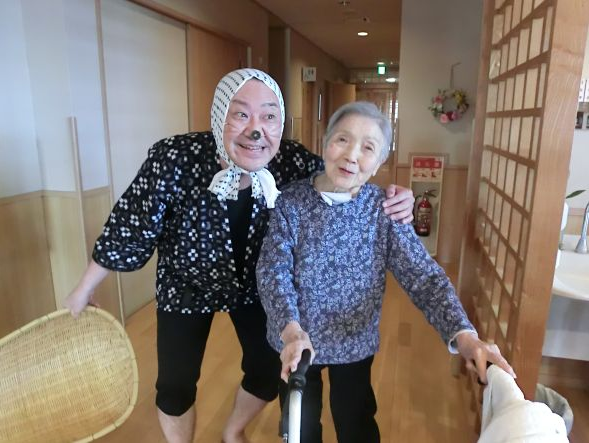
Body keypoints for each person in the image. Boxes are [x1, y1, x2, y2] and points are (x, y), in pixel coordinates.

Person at [64, 69, 415, 443]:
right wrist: (84, 288)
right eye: (241, 114)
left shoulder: (291, 161)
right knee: (175, 385)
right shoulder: (175, 157)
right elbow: (130, 225)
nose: (256, 130)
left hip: (254, 285)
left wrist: (394, 198)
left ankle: (233, 430)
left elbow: (345, 173)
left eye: (269, 116)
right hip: (185, 283)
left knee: (267, 371)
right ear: (219, 116)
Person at [256, 101, 516, 443]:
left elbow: (424, 277)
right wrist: (291, 331)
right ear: (325, 143)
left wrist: (465, 336)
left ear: (380, 162)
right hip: (295, 341)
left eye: (368, 148)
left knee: (356, 422)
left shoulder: (383, 210)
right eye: (342, 140)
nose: (351, 156)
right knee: (299, 426)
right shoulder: (291, 202)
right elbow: (273, 271)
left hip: (354, 341)